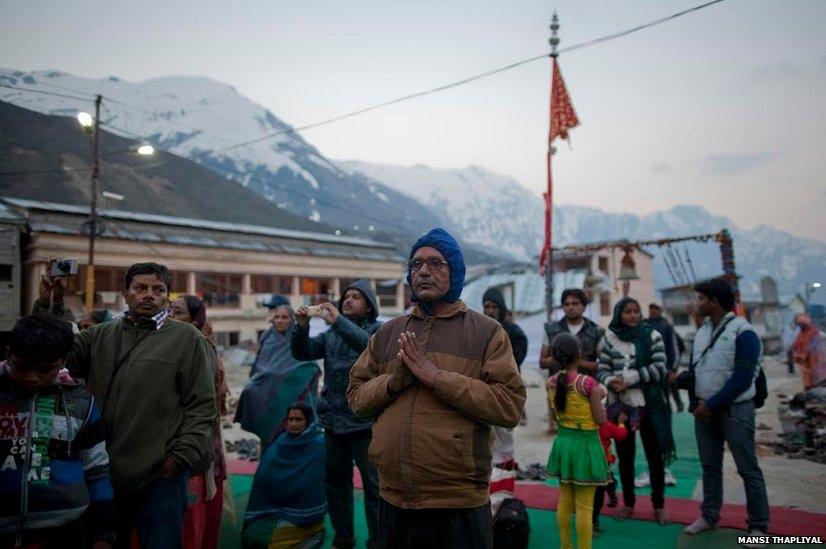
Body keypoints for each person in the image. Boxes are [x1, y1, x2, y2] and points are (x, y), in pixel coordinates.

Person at [347, 227, 526, 549]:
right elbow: (357, 399)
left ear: (455, 271)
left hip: (456, 504)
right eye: (416, 264)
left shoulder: (486, 332)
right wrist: (393, 382)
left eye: (435, 263)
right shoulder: (389, 333)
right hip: (392, 497)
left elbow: (509, 406)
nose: (423, 271)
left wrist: (436, 377)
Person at [36, 263, 216, 549]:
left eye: (158, 290)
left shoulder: (186, 339)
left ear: (166, 297)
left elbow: (203, 405)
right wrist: (51, 303)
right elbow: (50, 351)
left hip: (160, 476)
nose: (149, 295)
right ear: (126, 294)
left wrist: (179, 459)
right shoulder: (99, 335)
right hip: (102, 472)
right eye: (140, 288)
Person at [0, 315, 115, 548]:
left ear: (63, 361)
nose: (32, 378)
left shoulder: (81, 403)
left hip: (65, 528)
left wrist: (104, 534)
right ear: (8, 354)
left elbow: (96, 469)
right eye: (22, 367)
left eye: (44, 369)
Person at [292, 280, 382, 549]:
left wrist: (338, 321)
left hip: (365, 423)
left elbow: (369, 347)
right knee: (336, 484)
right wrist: (301, 326)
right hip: (333, 420)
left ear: (369, 305)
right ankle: (344, 537)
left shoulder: (377, 330)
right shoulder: (332, 334)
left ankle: (378, 541)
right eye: (346, 296)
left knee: (374, 488)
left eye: (356, 297)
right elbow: (302, 352)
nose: (348, 300)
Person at [683, 279, 769, 540]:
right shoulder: (702, 332)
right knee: (710, 467)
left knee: (748, 469)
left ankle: (758, 527)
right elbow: (696, 371)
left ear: (714, 302)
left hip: (735, 411)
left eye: (701, 299)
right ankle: (709, 516)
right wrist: (693, 398)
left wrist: (710, 404)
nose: (697, 304)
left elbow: (743, 378)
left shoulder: (745, 333)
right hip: (704, 411)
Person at [596, 297, 674, 525]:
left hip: (649, 407)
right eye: (627, 311)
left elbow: (660, 368)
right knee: (625, 456)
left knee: (654, 456)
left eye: (635, 311)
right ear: (619, 314)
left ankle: (658, 506)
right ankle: (628, 504)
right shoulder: (610, 339)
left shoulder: (653, 336)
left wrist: (630, 379)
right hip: (621, 408)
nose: (632, 315)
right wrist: (612, 381)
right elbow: (602, 369)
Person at [169, 295, 229, 549]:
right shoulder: (174, 341)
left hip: (193, 438)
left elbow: (206, 400)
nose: (171, 315)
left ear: (195, 319)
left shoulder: (199, 346)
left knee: (193, 509)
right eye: (170, 310)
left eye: (178, 312)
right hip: (188, 436)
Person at [546, 333, 608, 549]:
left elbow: (555, 417)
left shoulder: (551, 383)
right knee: (584, 507)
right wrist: (601, 397)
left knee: (564, 501)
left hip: (564, 444)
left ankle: (566, 546)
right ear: (579, 354)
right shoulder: (588, 384)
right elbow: (601, 420)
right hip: (586, 446)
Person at [235, 295, 318, 446]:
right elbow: (260, 363)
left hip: (291, 392)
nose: (279, 320)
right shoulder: (267, 336)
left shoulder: (299, 337)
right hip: (266, 388)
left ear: (292, 319)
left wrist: (286, 377)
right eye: (276, 316)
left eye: (284, 317)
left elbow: (311, 366)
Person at [243, 401, 327, 549]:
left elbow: (312, 483)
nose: (293, 423)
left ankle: (314, 533)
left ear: (308, 421)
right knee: (253, 537)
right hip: (271, 510)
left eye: (299, 419)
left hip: (302, 515)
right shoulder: (281, 441)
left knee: (274, 542)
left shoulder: (318, 445)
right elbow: (263, 475)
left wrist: (289, 487)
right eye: (290, 419)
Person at [483, 287, 528, 466]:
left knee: (505, 437)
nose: (490, 310)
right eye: (487, 306)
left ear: (501, 308)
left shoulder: (513, 331)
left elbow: (517, 358)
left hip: (506, 391)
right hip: (485, 391)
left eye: (494, 306)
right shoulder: (481, 329)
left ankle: (504, 481)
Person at [540, 289, 604, 375]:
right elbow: (542, 362)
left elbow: (603, 365)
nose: (570, 307)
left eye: (575, 303)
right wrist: (557, 361)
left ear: (584, 307)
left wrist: (576, 362)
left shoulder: (596, 331)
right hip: (558, 385)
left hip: (586, 385)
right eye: (567, 304)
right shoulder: (551, 330)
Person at [592, 411, 627, 535]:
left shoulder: (583, 423)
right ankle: (592, 522)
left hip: (583, 464)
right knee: (599, 494)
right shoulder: (604, 425)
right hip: (601, 465)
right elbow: (621, 434)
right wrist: (621, 423)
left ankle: (588, 521)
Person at [645, 302, 684, 412]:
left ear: (660, 310)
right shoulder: (644, 325)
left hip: (665, 368)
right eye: (651, 308)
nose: (653, 310)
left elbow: (675, 348)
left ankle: (677, 405)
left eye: (655, 308)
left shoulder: (667, 326)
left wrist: (673, 369)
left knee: (667, 392)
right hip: (648, 368)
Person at [792, 313, 826, 390]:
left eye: (801, 324)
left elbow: (815, 347)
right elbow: (797, 345)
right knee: (806, 374)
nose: (800, 326)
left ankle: (816, 388)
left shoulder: (814, 332)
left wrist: (807, 353)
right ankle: (809, 388)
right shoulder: (801, 334)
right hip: (805, 361)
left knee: (816, 375)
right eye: (799, 324)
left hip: (814, 359)